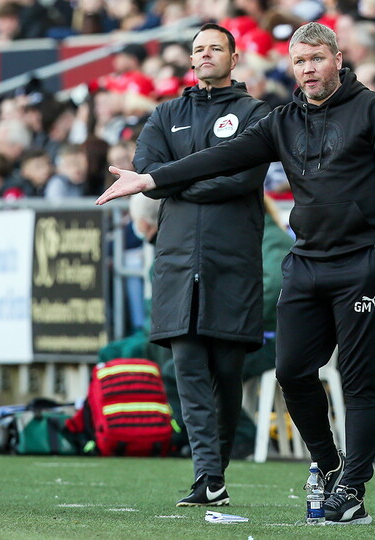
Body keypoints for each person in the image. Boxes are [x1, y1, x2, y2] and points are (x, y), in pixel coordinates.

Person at [97, 22, 375, 525]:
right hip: (307, 261)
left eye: (316, 59)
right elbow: (221, 157)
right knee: (292, 372)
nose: (308, 70)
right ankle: (329, 464)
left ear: (337, 58)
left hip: (362, 261)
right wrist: (150, 179)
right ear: (290, 66)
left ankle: (352, 488)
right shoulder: (283, 119)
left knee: (357, 382)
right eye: (299, 61)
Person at [128, 22, 272, 508]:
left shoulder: (255, 112)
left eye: (216, 48)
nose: (206, 54)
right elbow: (147, 173)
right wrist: (172, 179)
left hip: (231, 260)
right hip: (175, 259)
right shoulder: (165, 113)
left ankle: (215, 469)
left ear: (235, 58)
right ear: (190, 61)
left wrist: (176, 182)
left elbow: (245, 175)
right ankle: (208, 474)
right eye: (198, 49)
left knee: (227, 373)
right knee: (186, 364)